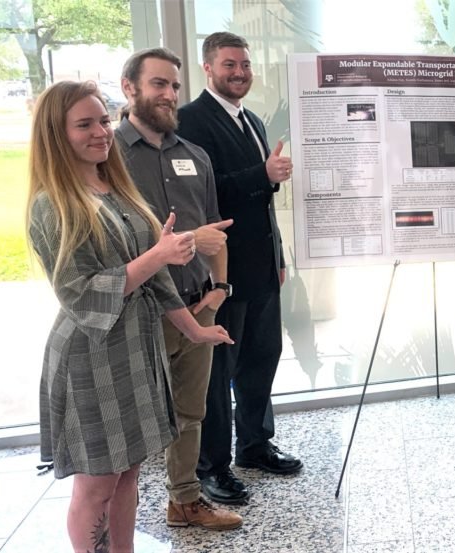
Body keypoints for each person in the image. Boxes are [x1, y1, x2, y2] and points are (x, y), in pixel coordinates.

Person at [26, 80, 233, 552]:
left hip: (137, 354)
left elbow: (153, 276)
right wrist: (158, 255)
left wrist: (194, 329)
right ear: (56, 135)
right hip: (91, 358)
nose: (101, 131)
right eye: (85, 124)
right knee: (97, 485)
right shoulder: (50, 205)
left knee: (127, 478)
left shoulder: (112, 185)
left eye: (103, 119)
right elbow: (80, 294)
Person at [116, 47, 242, 530]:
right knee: (135, 420)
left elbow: (216, 231)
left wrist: (220, 290)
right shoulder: (108, 158)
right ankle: (110, 514)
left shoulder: (196, 156)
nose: (169, 95)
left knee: (190, 412)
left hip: (198, 307)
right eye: (158, 85)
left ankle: (184, 501)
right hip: (140, 312)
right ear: (130, 88)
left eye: (174, 86)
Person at [176, 31, 301, 505]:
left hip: (263, 268)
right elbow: (204, 197)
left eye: (245, 65)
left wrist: (279, 256)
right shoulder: (190, 121)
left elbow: (262, 204)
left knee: (261, 360)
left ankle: (254, 445)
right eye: (230, 65)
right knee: (217, 371)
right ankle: (213, 467)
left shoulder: (251, 119)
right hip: (221, 276)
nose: (240, 73)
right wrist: (262, 176)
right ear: (208, 68)